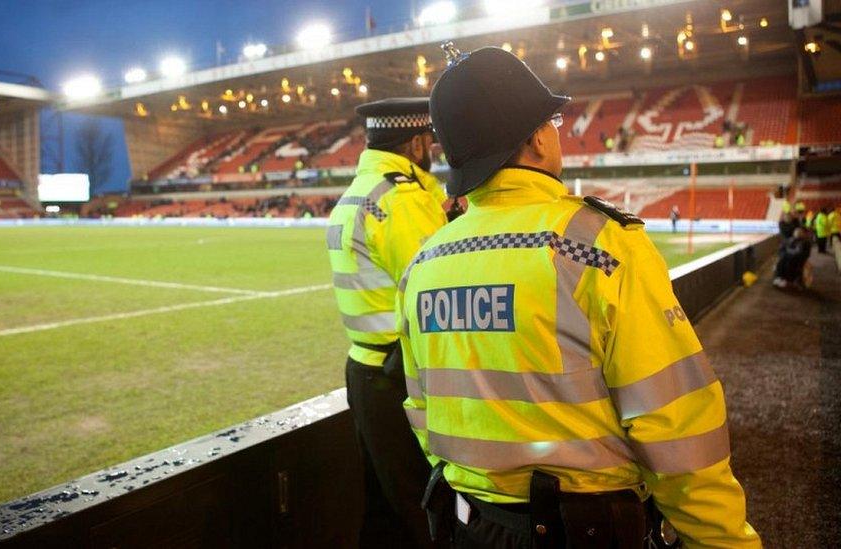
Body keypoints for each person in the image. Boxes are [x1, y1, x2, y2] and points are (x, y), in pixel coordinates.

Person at [397, 44, 761, 548]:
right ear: (537, 140)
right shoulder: (600, 246)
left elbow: (421, 411)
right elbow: (676, 428)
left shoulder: (423, 264)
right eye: (555, 124)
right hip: (584, 530)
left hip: (467, 526)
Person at [326, 97, 448, 548]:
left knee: (384, 511)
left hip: (365, 370)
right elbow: (437, 291)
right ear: (416, 144)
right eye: (429, 142)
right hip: (398, 378)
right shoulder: (400, 199)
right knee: (422, 511)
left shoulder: (361, 190)